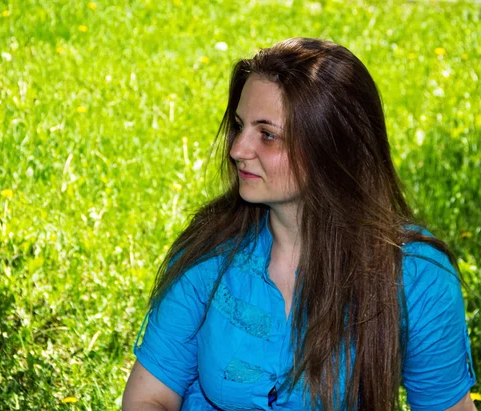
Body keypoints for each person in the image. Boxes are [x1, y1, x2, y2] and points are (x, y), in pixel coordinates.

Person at [122, 37, 477, 410]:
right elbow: (149, 397)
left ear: (332, 147)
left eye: (268, 135)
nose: (238, 150)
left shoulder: (416, 276)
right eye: (240, 126)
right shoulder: (213, 248)